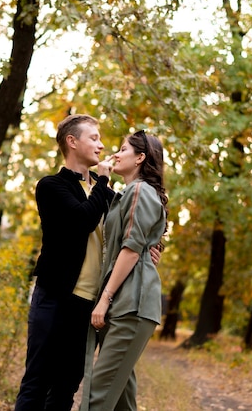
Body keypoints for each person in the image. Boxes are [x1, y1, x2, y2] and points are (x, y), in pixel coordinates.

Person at [14, 115, 161, 411]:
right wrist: (103, 181)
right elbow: (81, 220)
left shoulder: (107, 193)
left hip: (88, 304)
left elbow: (132, 228)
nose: (101, 144)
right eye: (93, 138)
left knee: (66, 387)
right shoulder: (51, 186)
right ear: (72, 141)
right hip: (55, 297)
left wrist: (151, 246)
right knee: (37, 381)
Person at [81, 130, 168, 411]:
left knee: (97, 397)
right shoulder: (128, 193)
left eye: (122, 149)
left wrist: (103, 300)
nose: (115, 154)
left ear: (140, 157)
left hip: (132, 305)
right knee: (120, 401)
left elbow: (131, 249)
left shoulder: (141, 190)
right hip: (124, 303)